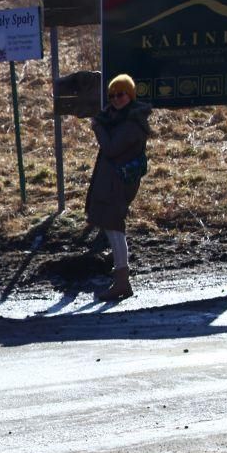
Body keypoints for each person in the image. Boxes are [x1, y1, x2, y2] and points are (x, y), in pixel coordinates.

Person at [85, 73, 152, 301]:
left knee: (115, 228)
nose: (115, 99)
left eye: (120, 94)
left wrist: (98, 128)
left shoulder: (132, 123)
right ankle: (121, 276)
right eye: (112, 96)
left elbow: (112, 149)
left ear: (130, 95)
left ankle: (122, 280)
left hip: (118, 184)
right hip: (110, 182)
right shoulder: (118, 118)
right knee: (111, 227)